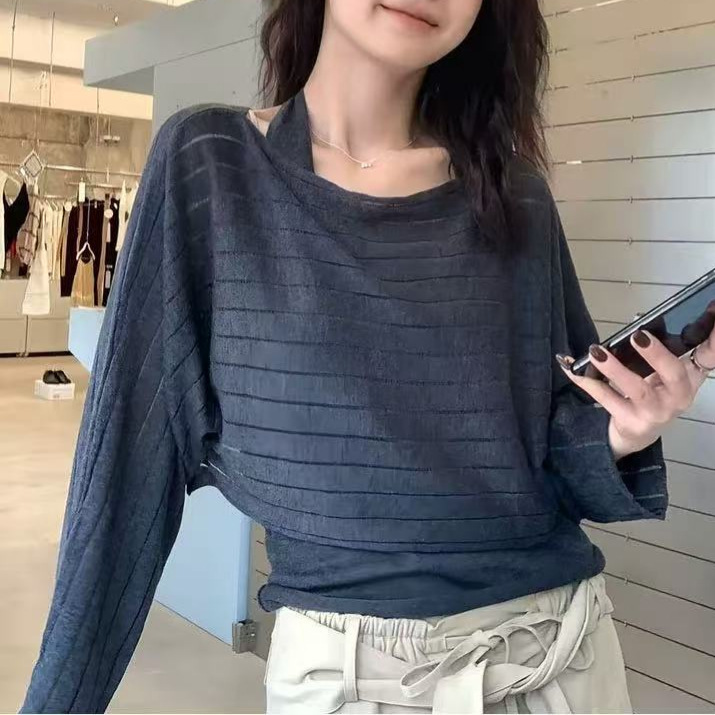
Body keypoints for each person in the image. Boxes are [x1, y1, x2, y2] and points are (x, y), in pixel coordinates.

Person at [20, 1, 715, 713]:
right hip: (353, 677)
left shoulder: (513, 194)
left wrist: (624, 428)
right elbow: (125, 472)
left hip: (561, 658)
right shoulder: (211, 164)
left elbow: (553, 454)